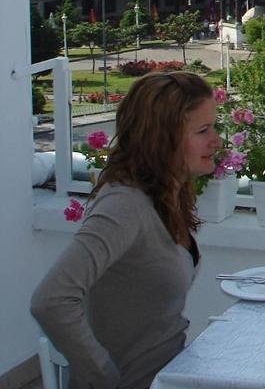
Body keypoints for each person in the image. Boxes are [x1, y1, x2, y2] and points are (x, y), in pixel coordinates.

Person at [31, 71, 221, 389]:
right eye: (203, 130)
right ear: (162, 139)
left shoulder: (165, 193)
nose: (216, 140)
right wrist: (102, 374)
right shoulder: (124, 205)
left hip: (173, 374)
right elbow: (51, 299)